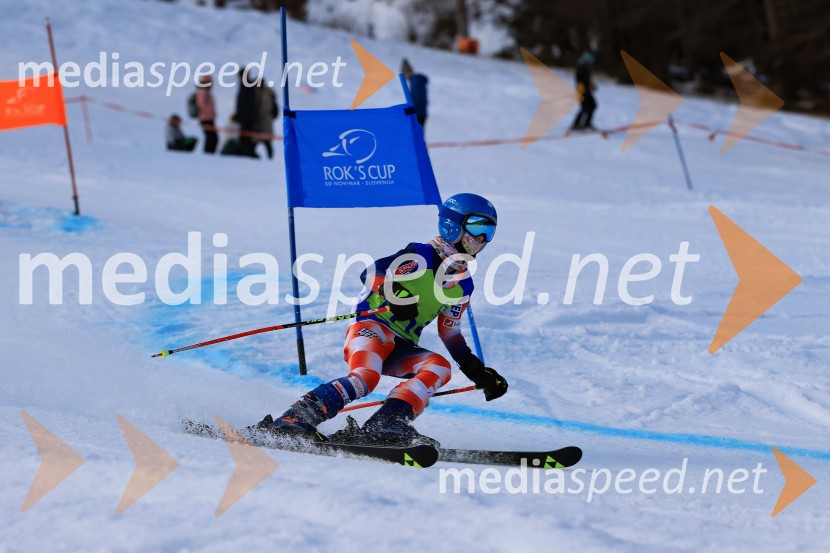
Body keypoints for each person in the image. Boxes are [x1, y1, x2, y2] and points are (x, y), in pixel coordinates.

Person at [258, 193, 509, 446]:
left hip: (402, 346)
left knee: (439, 366)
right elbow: (371, 272)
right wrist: (395, 294)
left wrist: (477, 372)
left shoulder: (463, 285)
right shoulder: (420, 256)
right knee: (366, 376)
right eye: (477, 226)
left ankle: (387, 422)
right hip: (371, 327)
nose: (480, 238)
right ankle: (294, 419)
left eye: (488, 231)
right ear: (453, 224)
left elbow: (450, 333)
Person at [235, 65, 260, 158]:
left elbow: (245, 103)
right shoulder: (246, 85)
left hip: (247, 117)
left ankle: (247, 153)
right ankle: (246, 152)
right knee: (246, 137)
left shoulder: (247, 86)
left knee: (246, 137)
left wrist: (241, 114)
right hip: (246, 117)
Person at [571, 51, 598, 131]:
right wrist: (582, 90)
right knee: (584, 108)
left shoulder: (587, 67)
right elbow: (579, 80)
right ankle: (575, 125)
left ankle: (587, 123)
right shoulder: (581, 66)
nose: (592, 61)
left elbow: (588, 78)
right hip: (582, 91)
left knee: (593, 106)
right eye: (591, 59)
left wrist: (592, 85)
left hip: (587, 91)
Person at [255, 77, 278, 159]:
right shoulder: (256, 92)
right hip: (258, 121)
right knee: (254, 141)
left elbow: (271, 107)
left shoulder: (267, 93)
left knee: (266, 141)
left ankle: (270, 158)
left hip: (266, 120)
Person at [401, 58, 428, 128]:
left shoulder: (415, 81)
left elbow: (418, 98)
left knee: (416, 135)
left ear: (408, 72)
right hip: (420, 112)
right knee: (418, 135)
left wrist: (410, 110)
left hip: (417, 113)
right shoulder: (416, 81)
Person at [196, 74, 218, 154]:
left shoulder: (206, 91)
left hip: (209, 118)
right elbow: (201, 104)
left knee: (212, 138)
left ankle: (209, 154)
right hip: (206, 118)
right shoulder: (203, 91)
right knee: (211, 138)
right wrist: (209, 113)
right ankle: (208, 154)